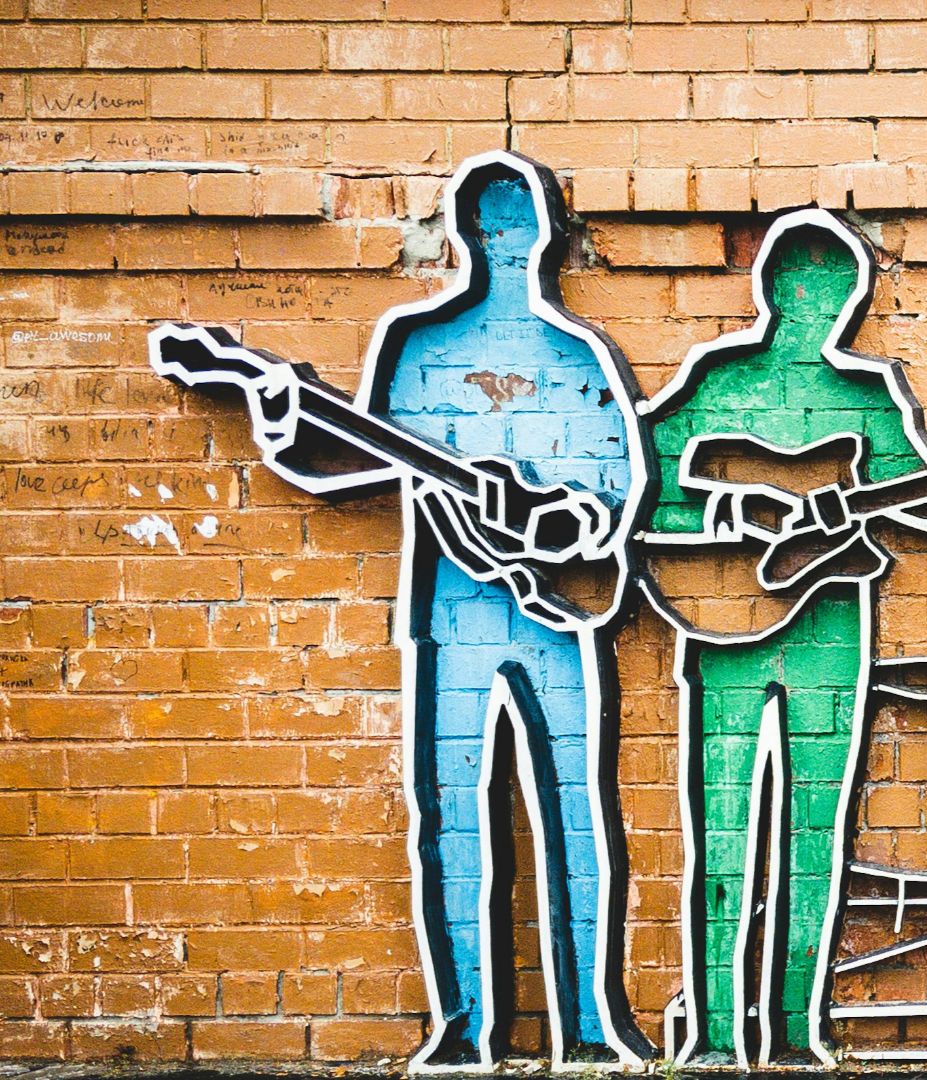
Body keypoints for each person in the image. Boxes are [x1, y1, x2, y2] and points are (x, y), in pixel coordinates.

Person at [152, 152, 653, 1069]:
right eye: (487, 222)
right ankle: (463, 1027)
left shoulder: (579, 355)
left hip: (555, 617)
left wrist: (558, 518)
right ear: (462, 233)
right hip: (444, 619)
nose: (506, 241)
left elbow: (618, 497)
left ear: (546, 236)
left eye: (519, 223)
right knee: (450, 820)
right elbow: (345, 465)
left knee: (576, 817)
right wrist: (280, 416)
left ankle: (591, 1023)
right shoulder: (415, 347)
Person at [636, 210, 927, 1066]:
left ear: (851, 303)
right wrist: (733, 512)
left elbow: (920, 497)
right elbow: (642, 486)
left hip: (831, 629)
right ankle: (716, 1027)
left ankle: (799, 1028)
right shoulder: (714, 386)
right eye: (806, 290)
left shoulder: (869, 398)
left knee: (816, 834)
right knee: (720, 830)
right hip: (721, 621)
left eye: (834, 294)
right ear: (770, 289)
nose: (818, 308)